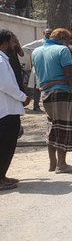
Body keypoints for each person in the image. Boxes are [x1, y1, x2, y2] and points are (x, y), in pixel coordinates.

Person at [32, 28, 72, 173]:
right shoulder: (62, 50)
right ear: (63, 37)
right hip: (62, 91)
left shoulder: (36, 52)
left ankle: (53, 163)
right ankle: (62, 164)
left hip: (46, 93)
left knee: (53, 127)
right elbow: (69, 74)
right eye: (68, 40)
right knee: (64, 127)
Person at [0, 30, 31, 190]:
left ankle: (2, 176)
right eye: (13, 42)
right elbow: (6, 85)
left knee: (7, 143)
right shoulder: (0, 61)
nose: (15, 45)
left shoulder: (4, 60)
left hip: (7, 109)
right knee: (6, 144)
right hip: (6, 111)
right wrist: (22, 97)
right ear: (4, 43)